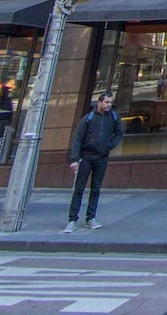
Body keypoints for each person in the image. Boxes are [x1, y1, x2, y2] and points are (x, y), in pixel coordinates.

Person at [63, 92, 124, 233]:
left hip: (102, 158)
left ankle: (91, 218)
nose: (109, 105)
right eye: (107, 102)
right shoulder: (88, 119)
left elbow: (120, 133)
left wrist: (111, 145)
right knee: (79, 189)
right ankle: (72, 219)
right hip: (86, 157)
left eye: (110, 102)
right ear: (100, 102)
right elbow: (78, 139)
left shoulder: (113, 118)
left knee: (96, 188)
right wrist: (74, 159)